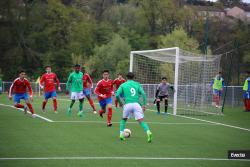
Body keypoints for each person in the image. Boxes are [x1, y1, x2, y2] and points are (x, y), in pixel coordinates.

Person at [116, 72, 152, 143]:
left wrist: (120, 103)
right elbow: (144, 94)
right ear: (134, 77)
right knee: (141, 121)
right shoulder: (137, 84)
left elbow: (117, 95)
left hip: (127, 104)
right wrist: (144, 105)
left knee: (123, 120)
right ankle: (148, 132)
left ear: (126, 77)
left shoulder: (123, 84)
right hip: (136, 104)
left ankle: (121, 135)